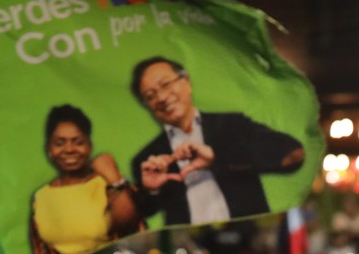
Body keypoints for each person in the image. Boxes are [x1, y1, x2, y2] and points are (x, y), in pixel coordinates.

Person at [129, 56, 306, 226]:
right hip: (190, 247)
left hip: (248, 241)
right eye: (150, 96)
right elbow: (142, 215)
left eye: (166, 84)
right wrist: (152, 190)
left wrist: (218, 158)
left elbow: (294, 154)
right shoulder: (148, 159)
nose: (161, 98)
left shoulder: (232, 125)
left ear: (186, 82)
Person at [30, 104, 141, 254]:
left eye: (78, 141)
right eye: (59, 143)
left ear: (89, 146)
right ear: (49, 149)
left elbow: (134, 226)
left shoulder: (107, 183)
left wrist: (115, 180)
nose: (69, 149)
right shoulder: (40, 197)